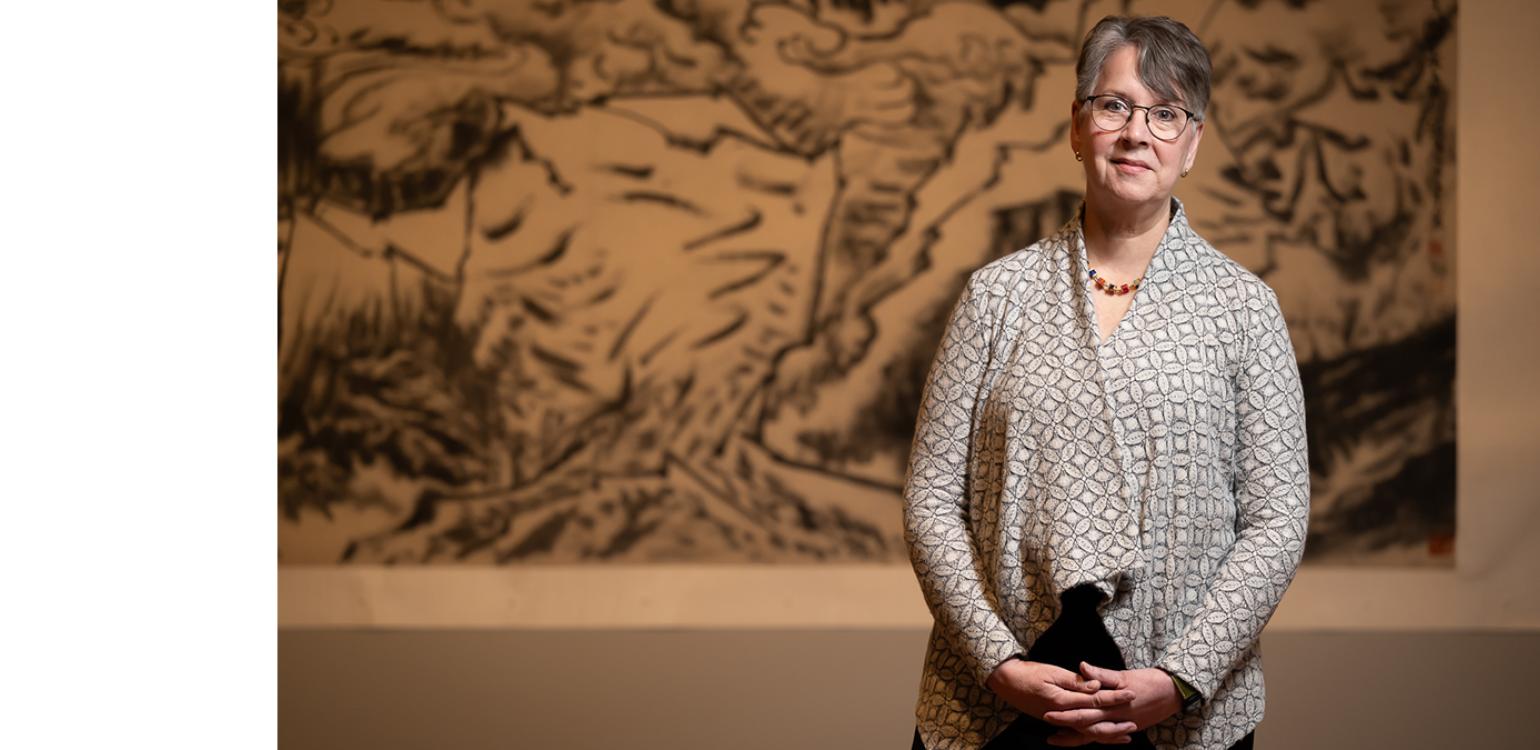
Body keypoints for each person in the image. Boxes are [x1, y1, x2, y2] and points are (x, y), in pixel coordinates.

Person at [901, 15, 1309, 750]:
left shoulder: (1244, 307)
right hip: (1000, 694)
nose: (1136, 133)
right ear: (1076, 125)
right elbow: (932, 499)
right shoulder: (996, 296)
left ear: (1193, 144)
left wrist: (1183, 676)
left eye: (1166, 113)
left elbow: (1277, 520)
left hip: (1177, 704)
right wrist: (996, 663)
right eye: (1114, 105)